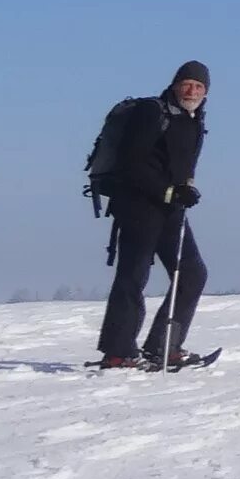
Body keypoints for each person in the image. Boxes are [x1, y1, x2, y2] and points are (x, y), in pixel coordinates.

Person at [93, 61, 211, 370]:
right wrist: (169, 191)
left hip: (170, 209)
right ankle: (118, 352)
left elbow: (177, 162)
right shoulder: (152, 112)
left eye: (199, 87)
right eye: (187, 84)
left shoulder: (194, 119)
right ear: (175, 85)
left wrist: (185, 188)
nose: (192, 91)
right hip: (138, 206)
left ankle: (164, 345)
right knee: (133, 276)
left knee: (192, 273)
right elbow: (132, 163)